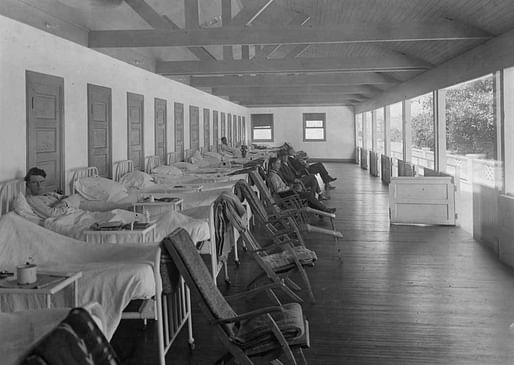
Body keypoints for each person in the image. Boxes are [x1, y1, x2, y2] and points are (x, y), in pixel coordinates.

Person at [267, 157, 336, 214]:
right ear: (272, 164)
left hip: (288, 193)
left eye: (279, 163)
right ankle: (324, 210)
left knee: (309, 195)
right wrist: (289, 187)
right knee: (309, 195)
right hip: (287, 195)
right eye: (278, 164)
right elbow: (278, 190)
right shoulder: (273, 176)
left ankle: (322, 210)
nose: (279, 165)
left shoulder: (274, 174)